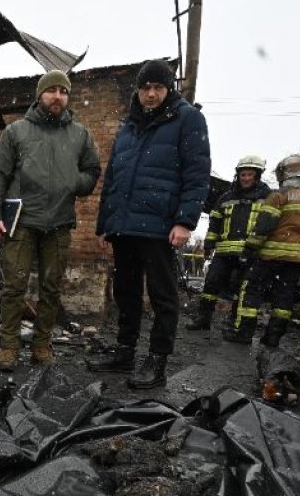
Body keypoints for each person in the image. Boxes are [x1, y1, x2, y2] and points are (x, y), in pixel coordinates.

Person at [89, 59, 211, 388]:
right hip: (124, 225)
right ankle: (125, 351)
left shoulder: (188, 119)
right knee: (125, 292)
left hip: (159, 225)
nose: (151, 94)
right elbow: (113, 177)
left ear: (168, 89)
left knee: (162, 295)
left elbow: (197, 174)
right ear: (138, 91)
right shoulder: (129, 125)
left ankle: (157, 361)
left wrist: (185, 221)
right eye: (145, 88)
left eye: (158, 87)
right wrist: (105, 224)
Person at [0, 70, 101, 371]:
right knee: (14, 286)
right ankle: (9, 347)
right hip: (21, 220)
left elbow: (92, 170)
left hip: (59, 222)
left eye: (63, 91)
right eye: (52, 91)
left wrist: (76, 182)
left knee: (51, 287)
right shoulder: (16, 132)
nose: (57, 96)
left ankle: (41, 346)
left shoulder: (80, 134)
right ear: (40, 95)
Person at [227, 154, 300, 346]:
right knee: (285, 297)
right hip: (296, 260)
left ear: (284, 172)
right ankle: (273, 338)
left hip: (269, 256)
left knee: (251, 290)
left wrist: (249, 250)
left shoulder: (279, 195)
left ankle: (244, 334)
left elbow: (265, 226)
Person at [186, 155, 271, 331]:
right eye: (243, 175)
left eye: (250, 175)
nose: (246, 178)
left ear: (257, 176)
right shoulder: (225, 197)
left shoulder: (267, 197)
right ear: (238, 176)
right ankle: (203, 319)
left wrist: (255, 248)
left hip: (250, 252)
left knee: (242, 289)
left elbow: (268, 224)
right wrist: (209, 245)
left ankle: (235, 323)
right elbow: (215, 222)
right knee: (211, 283)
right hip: (224, 252)